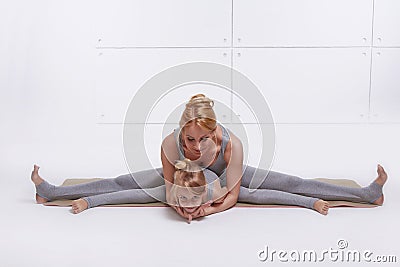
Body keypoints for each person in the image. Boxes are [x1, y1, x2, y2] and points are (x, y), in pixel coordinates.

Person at [31, 93, 388, 217]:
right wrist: (181, 203)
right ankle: (52, 191)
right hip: (188, 185)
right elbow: (170, 189)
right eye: (190, 139)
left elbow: (233, 194)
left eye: (204, 139)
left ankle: (366, 194)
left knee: (289, 185)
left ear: (215, 132)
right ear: (181, 132)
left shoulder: (232, 145)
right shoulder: (171, 146)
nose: (196, 147)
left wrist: (210, 207)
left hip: (221, 186)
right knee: (123, 183)